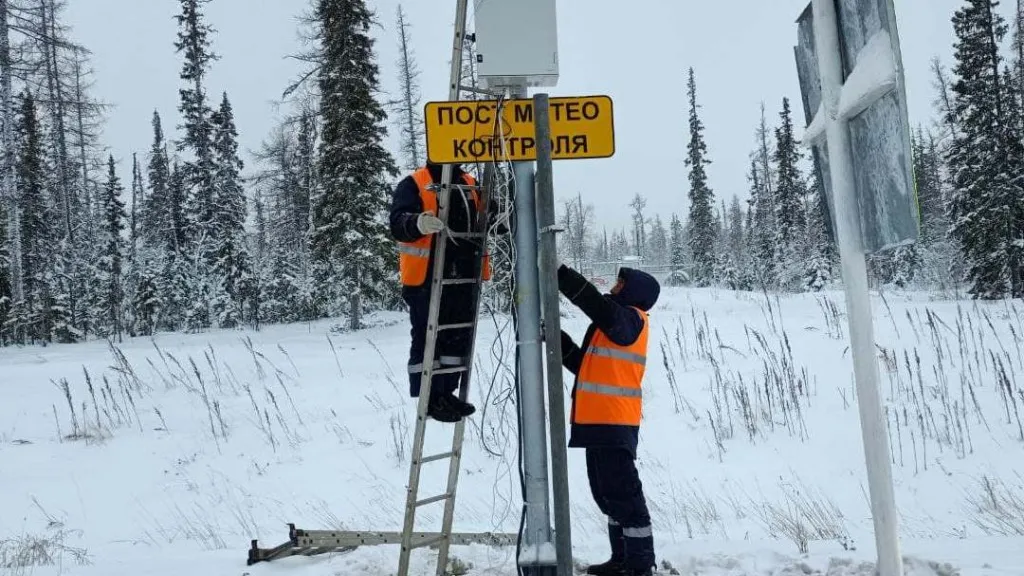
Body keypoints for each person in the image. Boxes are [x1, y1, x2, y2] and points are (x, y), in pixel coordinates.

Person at [557, 264, 660, 576]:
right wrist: (556, 340)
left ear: (634, 292)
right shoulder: (613, 328)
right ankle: (621, 559)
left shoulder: (631, 320)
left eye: (621, 283)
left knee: (624, 493)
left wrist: (559, 273)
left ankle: (640, 565)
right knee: (606, 494)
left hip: (614, 421)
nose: (614, 287)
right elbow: (584, 368)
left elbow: (595, 305)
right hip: (598, 423)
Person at [389, 161, 500, 423]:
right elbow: (397, 222)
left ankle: (446, 393)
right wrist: (417, 223)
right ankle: (429, 397)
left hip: (462, 274)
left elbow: (493, 219)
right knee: (429, 336)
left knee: (456, 336)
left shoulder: (471, 183)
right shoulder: (415, 183)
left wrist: (506, 217)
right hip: (426, 277)